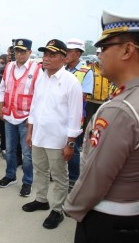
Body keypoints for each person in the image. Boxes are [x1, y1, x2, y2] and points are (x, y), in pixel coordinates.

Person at [64, 11, 139, 243]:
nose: (99, 56)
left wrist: (72, 206)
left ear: (127, 50)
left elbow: (96, 175)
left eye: (104, 47)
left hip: (108, 218)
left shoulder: (119, 110)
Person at [23, 39, 82, 230]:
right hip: (39, 135)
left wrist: (70, 144)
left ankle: (57, 209)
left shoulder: (71, 83)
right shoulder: (42, 77)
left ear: (64, 59)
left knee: (59, 177)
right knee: (39, 170)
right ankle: (41, 199)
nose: (46, 59)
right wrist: (30, 131)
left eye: (52, 55)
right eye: (45, 54)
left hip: (58, 140)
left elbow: (75, 117)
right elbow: (35, 106)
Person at [0, 39, 43, 197]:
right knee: (9, 150)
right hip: (9, 115)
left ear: (30, 52)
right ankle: (10, 175)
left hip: (26, 118)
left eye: (23, 51)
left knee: (27, 154)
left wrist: (32, 120)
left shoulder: (37, 69)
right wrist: (0, 107)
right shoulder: (9, 67)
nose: (19, 54)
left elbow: (39, 97)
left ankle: (27, 181)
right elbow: (2, 88)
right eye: (17, 51)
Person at [65, 38, 94, 192]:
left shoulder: (86, 72)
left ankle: (73, 178)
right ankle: (60, 173)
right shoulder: (63, 69)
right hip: (60, 115)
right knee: (58, 145)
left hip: (75, 117)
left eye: (69, 51)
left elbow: (83, 96)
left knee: (73, 148)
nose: (66, 54)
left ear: (77, 53)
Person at [85, 47, 110, 123]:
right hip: (89, 101)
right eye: (98, 54)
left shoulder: (108, 69)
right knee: (88, 123)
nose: (100, 56)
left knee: (99, 123)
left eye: (102, 53)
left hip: (103, 102)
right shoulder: (89, 68)